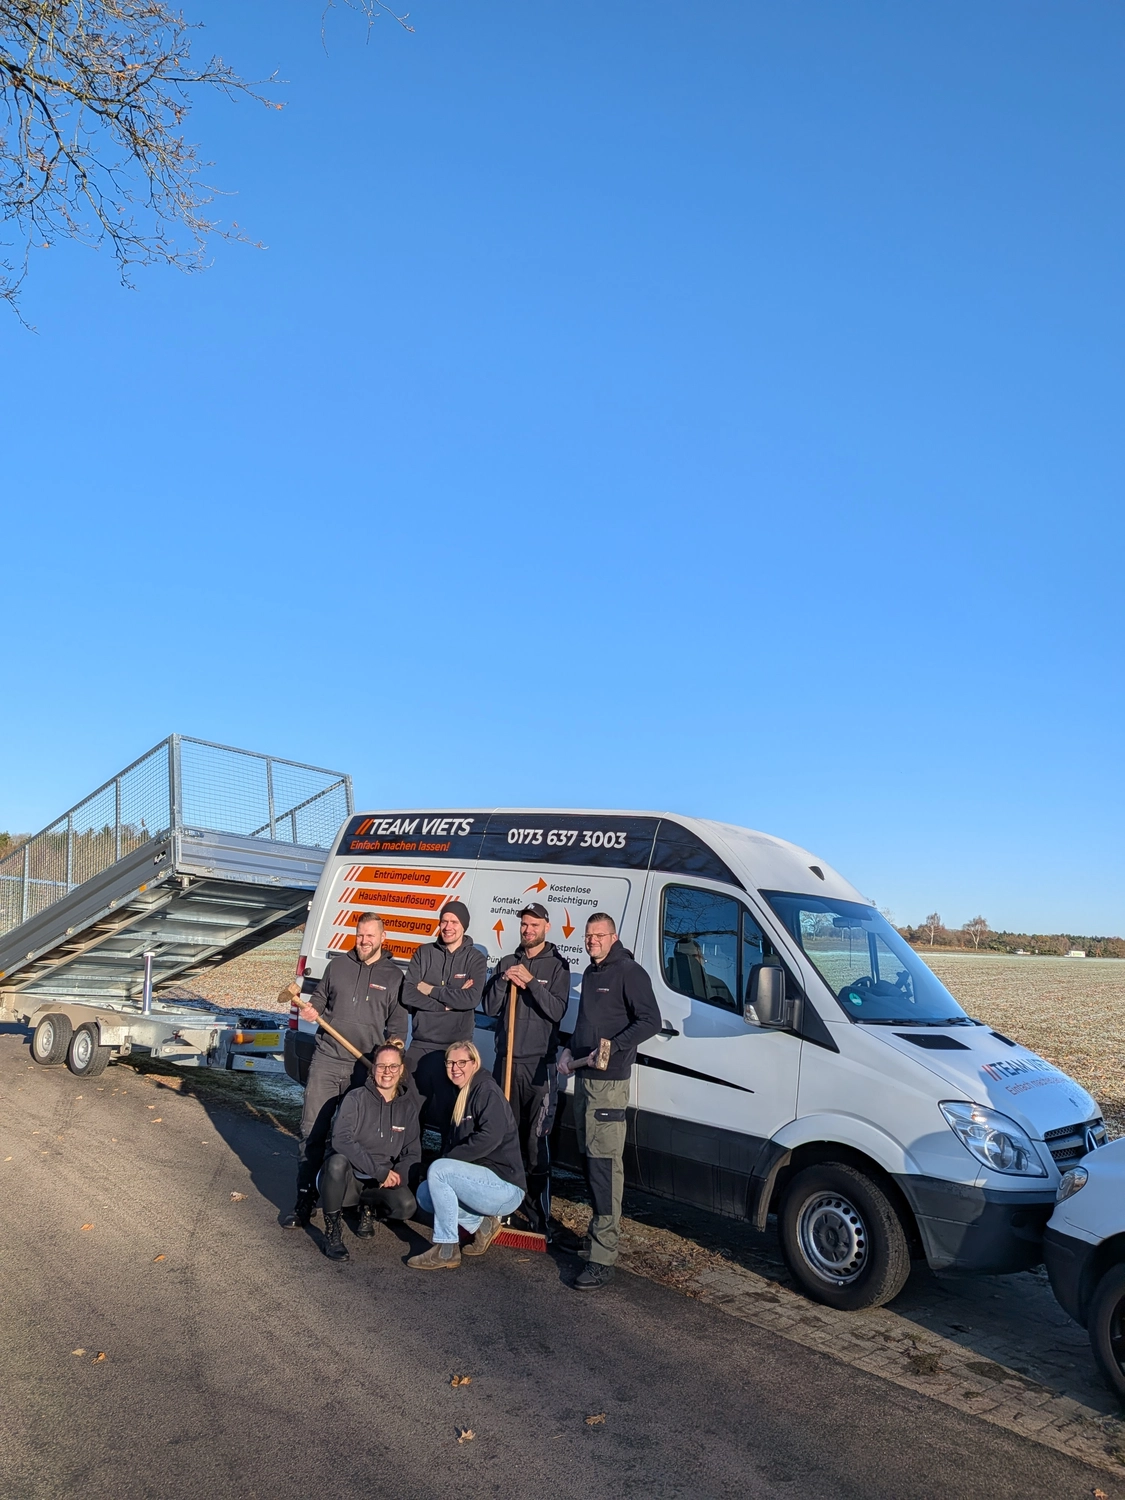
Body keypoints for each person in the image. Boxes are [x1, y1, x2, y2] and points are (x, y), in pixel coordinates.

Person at [282, 912, 409, 1228]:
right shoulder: (336, 966)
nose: (364, 941)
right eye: (360, 935)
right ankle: (304, 1200)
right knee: (313, 1131)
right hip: (327, 1060)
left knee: (360, 1139)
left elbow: (397, 1028)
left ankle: (354, 1201)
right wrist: (311, 1011)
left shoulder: (394, 977)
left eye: (370, 935)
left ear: (383, 938)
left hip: (364, 1069)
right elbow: (320, 1003)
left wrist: (389, 1052)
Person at [558, 912, 660, 1290]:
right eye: (588, 936)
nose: (591, 941)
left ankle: (603, 1256)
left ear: (613, 936)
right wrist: (568, 1051)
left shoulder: (628, 972)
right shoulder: (592, 974)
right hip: (584, 1077)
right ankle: (595, 1238)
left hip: (608, 1084)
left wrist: (613, 1047)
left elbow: (650, 1020)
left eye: (598, 935)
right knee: (588, 1161)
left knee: (604, 1166)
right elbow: (586, 1025)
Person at [481, 901, 570, 1234]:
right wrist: (504, 980)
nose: (528, 930)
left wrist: (532, 982)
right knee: (504, 1140)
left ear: (547, 926)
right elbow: (489, 1007)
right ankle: (500, 1207)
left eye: (534, 925)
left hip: (539, 1068)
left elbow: (557, 1012)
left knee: (535, 1144)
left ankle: (537, 1217)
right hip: (505, 1064)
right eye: (524, 925)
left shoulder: (558, 967)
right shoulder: (507, 962)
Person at [407, 1042, 526, 1270]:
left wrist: (448, 1160)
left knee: (440, 1171)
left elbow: (490, 1137)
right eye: (451, 1063)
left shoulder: (486, 1091)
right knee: (425, 1194)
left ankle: (447, 1248)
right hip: (480, 1182)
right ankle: (482, 1226)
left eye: (462, 1062)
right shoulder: (461, 1095)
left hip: (505, 1186)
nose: (455, 1068)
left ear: (474, 1063)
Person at [318, 1044, 420, 1262]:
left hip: (379, 1183)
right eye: (382, 1066)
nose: (387, 1072)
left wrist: (397, 1176)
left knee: (406, 1206)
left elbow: (412, 1152)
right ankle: (332, 1232)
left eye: (393, 1066)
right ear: (373, 1068)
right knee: (336, 1162)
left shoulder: (408, 1108)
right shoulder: (356, 1098)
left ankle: (369, 1206)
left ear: (401, 1070)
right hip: (348, 1178)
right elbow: (341, 1140)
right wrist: (380, 1171)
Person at [402, 901, 487, 1128]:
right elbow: (408, 994)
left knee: (450, 1117)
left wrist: (430, 989)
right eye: (444, 921)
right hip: (420, 1046)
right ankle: (411, 1161)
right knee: (411, 1113)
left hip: (455, 1050)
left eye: (454, 922)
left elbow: (470, 999)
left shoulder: (475, 959)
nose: (448, 926)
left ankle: (445, 1162)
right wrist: (445, 1004)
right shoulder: (424, 953)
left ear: (464, 926)